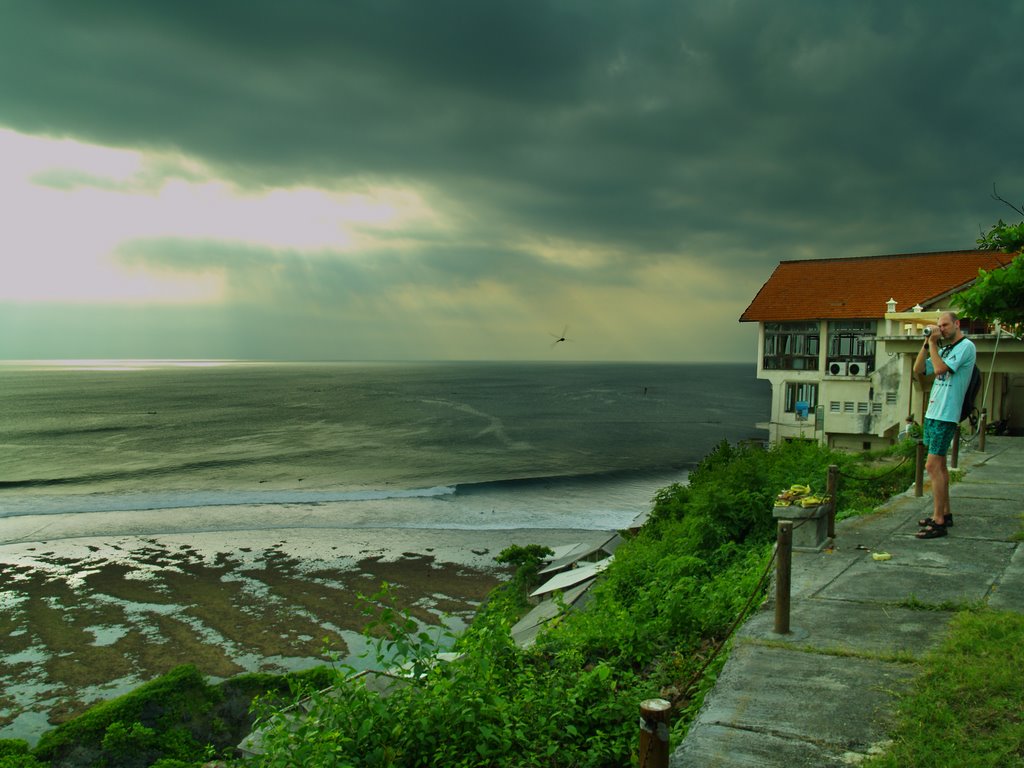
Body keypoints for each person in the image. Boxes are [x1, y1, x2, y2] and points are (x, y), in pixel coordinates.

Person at [912, 311, 976, 539]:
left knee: (931, 466)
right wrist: (926, 343)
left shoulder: (965, 347)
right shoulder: (945, 349)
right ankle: (945, 513)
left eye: (946, 325)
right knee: (939, 467)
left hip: (946, 414)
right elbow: (919, 370)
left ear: (957, 324)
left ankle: (938, 520)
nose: (942, 329)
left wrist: (933, 344)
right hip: (933, 412)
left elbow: (939, 370)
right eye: (939, 326)